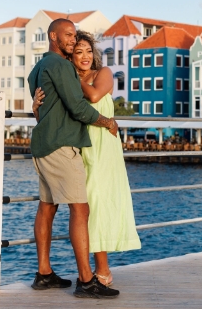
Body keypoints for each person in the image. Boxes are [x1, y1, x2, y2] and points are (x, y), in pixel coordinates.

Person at [33, 30, 141, 288]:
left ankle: (102, 269)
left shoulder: (102, 74)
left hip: (104, 148)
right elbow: (53, 117)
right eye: (78, 52)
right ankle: (89, 272)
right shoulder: (67, 81)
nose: (84, 56)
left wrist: (68, 76)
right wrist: (36, 107)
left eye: (88, 51)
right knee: (86, 205)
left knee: (99, 203)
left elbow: (93, 96)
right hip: (79, 147)